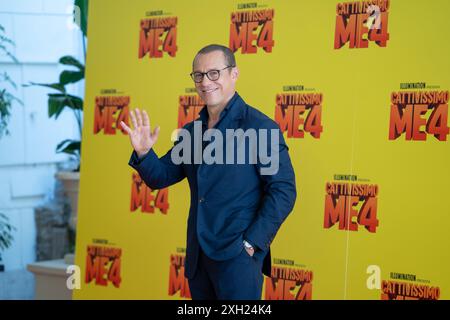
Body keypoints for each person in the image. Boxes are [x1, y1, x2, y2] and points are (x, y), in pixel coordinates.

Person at [120, 44, 296, 300]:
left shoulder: (260, 128)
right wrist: (145, 153)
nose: (206, 82)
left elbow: (283, 190)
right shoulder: (192, 132)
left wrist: (251, 244)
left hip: (238, 258)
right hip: (198, 258)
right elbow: (161, 176)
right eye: (199, 75)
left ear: (233, 74)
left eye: (214, 73)